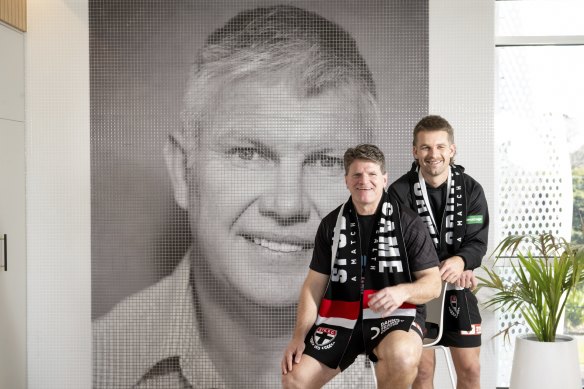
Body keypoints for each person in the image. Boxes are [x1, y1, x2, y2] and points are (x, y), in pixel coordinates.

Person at [93, 5, 387, 388]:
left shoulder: (429, 368)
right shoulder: (95, 361)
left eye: (327, 161)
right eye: (248, 154)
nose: (287, 206)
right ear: (183, 172)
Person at [281, 144, 442, 389]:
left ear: (384, 179)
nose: (364, 181)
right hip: (341, 317)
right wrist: (298, 336)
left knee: (402, 357)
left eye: (372, 174)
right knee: (295, 378)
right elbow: (314, 284)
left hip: (395, 316)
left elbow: (433, 284)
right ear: (346, 180)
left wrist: (402, 292)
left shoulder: (408, 222)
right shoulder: (330, 224)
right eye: (356, 174)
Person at [388, 115, 489, 389]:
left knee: (471, 369)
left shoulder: (471, 189)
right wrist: (438, 268)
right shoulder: (398, 192)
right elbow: (396, 245)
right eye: (425, 147)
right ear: (415, 151)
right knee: (422, 371)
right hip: (417, 291)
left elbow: (477, 241)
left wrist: (462, 260)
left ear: (452, 150)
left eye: (440, 147)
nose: (434, 154)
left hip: (458, 288)